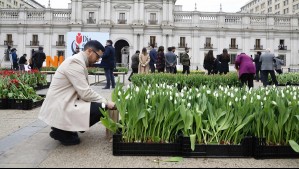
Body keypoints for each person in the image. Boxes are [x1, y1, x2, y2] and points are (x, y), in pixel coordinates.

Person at [39, 40, 116, 146]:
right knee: (101, 107)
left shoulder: (78, 61)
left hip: (64, 102)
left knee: (96, 106)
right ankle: (61, 130)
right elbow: (85, 92)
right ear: (90, 51)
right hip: (60, 106)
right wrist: (106, 102)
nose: (98, 60)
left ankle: (65, 128)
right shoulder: (75, 62)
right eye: (98, 56)